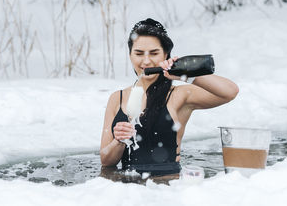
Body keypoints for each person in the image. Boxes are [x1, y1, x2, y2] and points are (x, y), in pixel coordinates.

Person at [100, 18, 239, 177]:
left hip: (168, 188)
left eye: (154, 53)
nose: (146, 61)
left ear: (166, 54)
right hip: (127, 191)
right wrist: (118, 141)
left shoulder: (179, 96)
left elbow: (230, 92)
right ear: (130, 55)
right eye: (138, 53)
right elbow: (106, 160)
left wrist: (185, 74)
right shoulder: (116, 98)